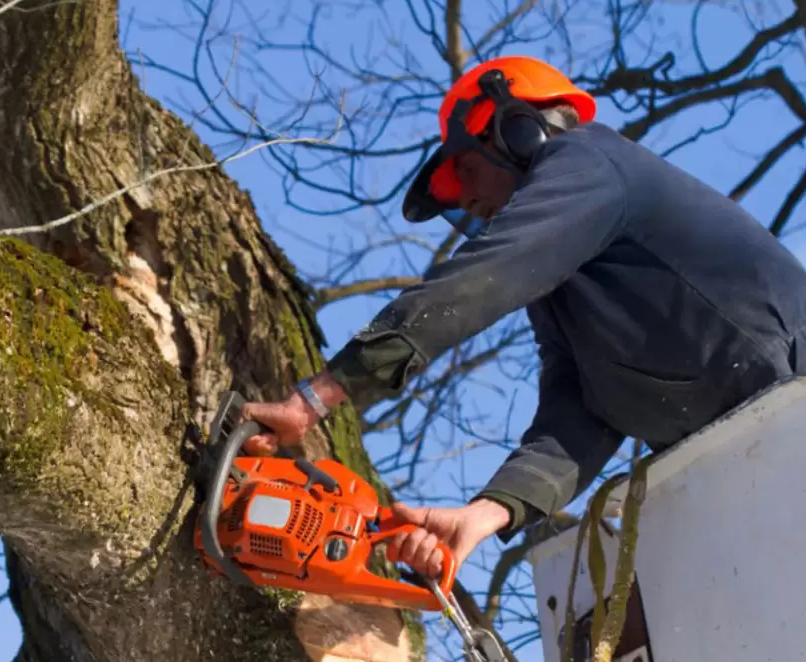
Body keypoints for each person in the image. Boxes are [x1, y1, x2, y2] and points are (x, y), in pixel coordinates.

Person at [241, 55, 806, 578]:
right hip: (751, 459)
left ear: (517, 131)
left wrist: (314, 398)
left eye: (465, 169)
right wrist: (486, 514)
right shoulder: (565, 287)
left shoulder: (590, 161)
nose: (465, 200)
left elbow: (482, 278)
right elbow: (579, 411)